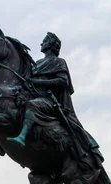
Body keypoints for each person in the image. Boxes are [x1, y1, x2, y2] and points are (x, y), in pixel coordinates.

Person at [8, 32, 103, 171]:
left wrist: (38, 81)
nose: (41, 44)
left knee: (31, 105)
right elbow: (24, 81)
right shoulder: (37, 63)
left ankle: (22, 137)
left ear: (52, 45)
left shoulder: (58, 62)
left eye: (44, 41)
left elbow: (63, 81)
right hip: (34, 95)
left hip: (49, 101)